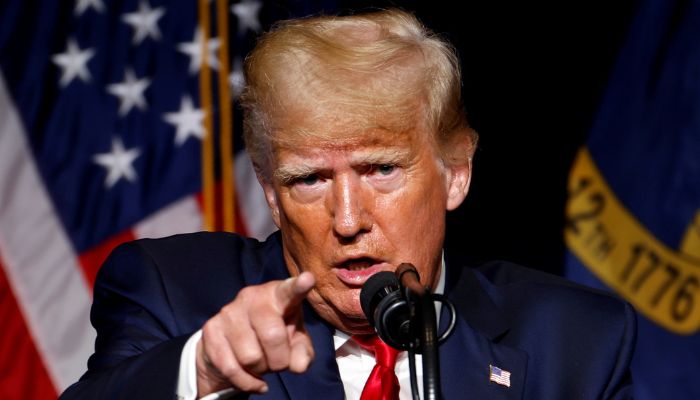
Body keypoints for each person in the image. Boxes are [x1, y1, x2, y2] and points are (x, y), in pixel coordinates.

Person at [60, 8, 636, 400]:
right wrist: (203, 367)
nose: (348, 220)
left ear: (456, 173)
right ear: (269, 191)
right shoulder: (173, 292)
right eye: (308, 179)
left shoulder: (576, 341)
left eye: (380, 170)